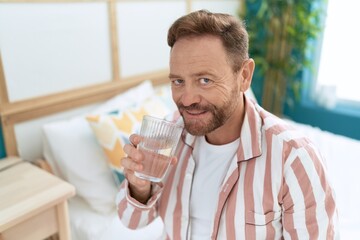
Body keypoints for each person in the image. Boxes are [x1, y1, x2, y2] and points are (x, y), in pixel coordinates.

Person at [117, 10, 339, 239]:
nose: (187, 98)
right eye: (178, 81)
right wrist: (140, 187)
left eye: (205, 80)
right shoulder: (168, 138)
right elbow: (131, 220)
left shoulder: (293, 158)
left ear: (244, 75)